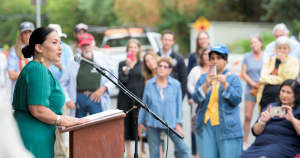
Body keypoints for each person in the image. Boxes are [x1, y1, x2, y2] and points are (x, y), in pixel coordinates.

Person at [12, 27, 90, 158]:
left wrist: (67, 118)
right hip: (34, 137)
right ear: (39, 48)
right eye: (54, 43)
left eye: (60, 42)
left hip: (37, 135)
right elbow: (38, 109)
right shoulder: (38, 70)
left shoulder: (39, 69)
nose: (60, 47)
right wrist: (62, 120)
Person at [192, 44, 244, 158]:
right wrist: (206, 84)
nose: (215, 61)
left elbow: (237, 100)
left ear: (226, 60)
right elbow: (195, 98)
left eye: (219, 58)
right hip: (205, 125)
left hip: (228, 126)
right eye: (212, 58)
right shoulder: (203, 78)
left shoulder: (233, 78)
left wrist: (225, 84)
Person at [138, 56, 192, 158]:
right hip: (152, 124)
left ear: (170, 70)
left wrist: (178, 123)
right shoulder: (149, 84)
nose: (162, 68)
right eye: (160, 66)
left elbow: (178, 106)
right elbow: (144, 104)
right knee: (154, 154)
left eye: (165, 67)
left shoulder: (176, 84)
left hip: (171, 123)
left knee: (185, 149)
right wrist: (140, 123)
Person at [60, 33, 117, 118]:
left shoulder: (102, 58)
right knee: (79, 127)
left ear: (93, 44)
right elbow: (63, 82)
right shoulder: (73, 61)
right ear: (79, 46)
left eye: (88, 44)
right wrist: (68, 100)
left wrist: (104, 88)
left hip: (97, 98)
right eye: (84, 45)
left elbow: (114, 76)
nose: (86, 47)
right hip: (78, 99)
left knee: (98, 126)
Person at [240, 79, 300, 158]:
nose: (284, 95)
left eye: (288, 92)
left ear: (296, 95)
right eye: (282, 91)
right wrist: (262, 122)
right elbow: (255, 132)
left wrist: (293, 120)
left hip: (283, 146)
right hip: (260, 145)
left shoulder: (298, 110)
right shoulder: (271, 106)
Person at [48, 24, 74, 158]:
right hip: (45, 94)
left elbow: (71, 73)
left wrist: (60, 67)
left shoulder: (67, 49)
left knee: (61, 128)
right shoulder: (43, 49)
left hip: (60, 94)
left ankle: (61, 156)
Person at [257, 36, 299, 113]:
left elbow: (291, 78)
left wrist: (283, 62)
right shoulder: (269, 60)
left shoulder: (294, 61)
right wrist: (282, 79)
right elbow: (263, 78)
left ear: (289, 50)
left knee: (279, 119)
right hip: (266, 98)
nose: (282, 50)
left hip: (284, 99)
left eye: (284, 48)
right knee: (265, 118)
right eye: (279, 48)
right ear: (275, 49)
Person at [117, 39, 144, 158]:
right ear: (127, 49)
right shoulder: (122, 63)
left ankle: (142, 150)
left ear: (139, 49)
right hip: (125, 98)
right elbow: (121, 81)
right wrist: (127, 69)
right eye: (130, 47)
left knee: (139, 124)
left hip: (138, 97)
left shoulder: (142, 64)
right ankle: (128, 153)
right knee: (126, 125)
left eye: (135, 47)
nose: (132, 49)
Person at [186, 32, 210, 158]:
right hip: (197, 103)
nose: (207, 56)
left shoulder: (215, 70)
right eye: (205, 54)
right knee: (196, 128)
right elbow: (189, 83)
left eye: (209, 54)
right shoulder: (195, 68)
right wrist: (193, 95)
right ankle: (196, 154)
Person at [241, 35, 264, 151]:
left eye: (255, 42)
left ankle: (261, 142)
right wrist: (254, 84)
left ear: (261, 43)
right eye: (251, 43)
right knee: (248, 116)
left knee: (263, 116)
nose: (253, 45)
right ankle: (245, 142)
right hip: (250, 90)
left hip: (264, 90)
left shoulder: (267, 56)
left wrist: (259, 84)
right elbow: (243, 73)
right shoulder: (247, 57)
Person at [7, 21, 35, 107]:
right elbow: (11, 75)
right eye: (24, 32)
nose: (27, 34)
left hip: (34, 95)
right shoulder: (14, 51)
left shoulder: (38, 49)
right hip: (20, 94)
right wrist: (31, 73)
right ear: (20, 34)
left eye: (30, 32)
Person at [157, 30, 187, 100]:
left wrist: (180, 97)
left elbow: (183, 79)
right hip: (157, 94)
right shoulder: (155, 57)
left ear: (173, 42)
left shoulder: (179, 58)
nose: (167, 42)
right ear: (161, 40)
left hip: (173, 94)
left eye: (170, 40)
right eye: (165, 39)